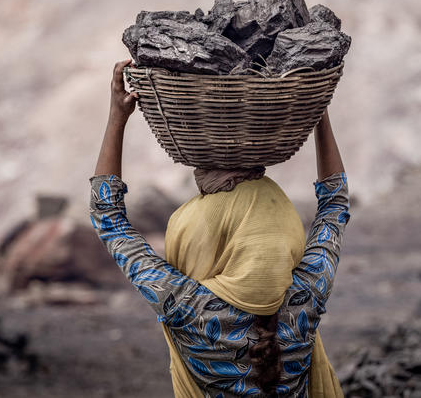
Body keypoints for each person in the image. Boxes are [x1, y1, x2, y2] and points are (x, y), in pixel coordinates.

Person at [90, 59, 350, 397]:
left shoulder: (185, 306)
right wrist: (317, 109)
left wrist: (117, 117)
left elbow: (108, 218)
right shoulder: (306, 298)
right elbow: (335, 205)